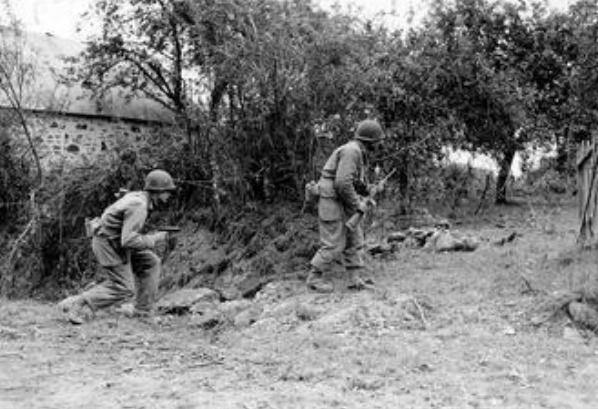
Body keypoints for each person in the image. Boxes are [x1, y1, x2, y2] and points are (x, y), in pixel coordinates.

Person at [58, 169, 177, 324]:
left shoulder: (138, 197)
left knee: (151, 262)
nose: (169, 196)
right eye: (167, 192)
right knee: (124, 287)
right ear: (158, 191)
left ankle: (143, 312)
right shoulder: (139, 205)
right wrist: (153, 239)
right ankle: (79, 304)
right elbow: (128, 240)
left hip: (114, 241)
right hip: (108, 245)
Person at [307, 119, 386, 293]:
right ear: (370, 140)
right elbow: (342, 183)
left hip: (341, 199)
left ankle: (354, 279)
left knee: (354, 238)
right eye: (378, 141)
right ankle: (314, 278)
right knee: (333, 242)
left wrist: (368, 189)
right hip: (332, 199)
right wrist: (358, 204)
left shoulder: (358, 152)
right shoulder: (352, 151)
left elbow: (351, 180)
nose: (380, 145)